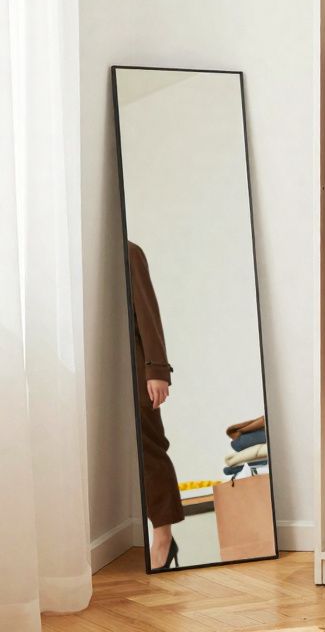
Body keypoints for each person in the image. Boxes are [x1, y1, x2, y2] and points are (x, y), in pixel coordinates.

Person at [127, 241, 184, 570]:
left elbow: (147, 314)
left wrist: (157, 370)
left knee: (149, 449)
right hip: (97, 372)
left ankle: (162, 538)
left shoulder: (128, 251)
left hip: (135, 368)